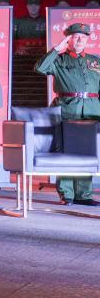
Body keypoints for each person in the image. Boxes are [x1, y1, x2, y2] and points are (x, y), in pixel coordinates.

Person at [34, 23, 100, 206]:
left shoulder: (95, 61)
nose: (79, 40)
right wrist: (57, 49)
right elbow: (40, 68)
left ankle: (84, 194)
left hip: (92, 111)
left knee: (88, 153)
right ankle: (67, 193)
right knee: (66, 151)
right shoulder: (59, 59)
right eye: (75, 36)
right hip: (68, 109)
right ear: (68, 39)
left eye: (83, 37)